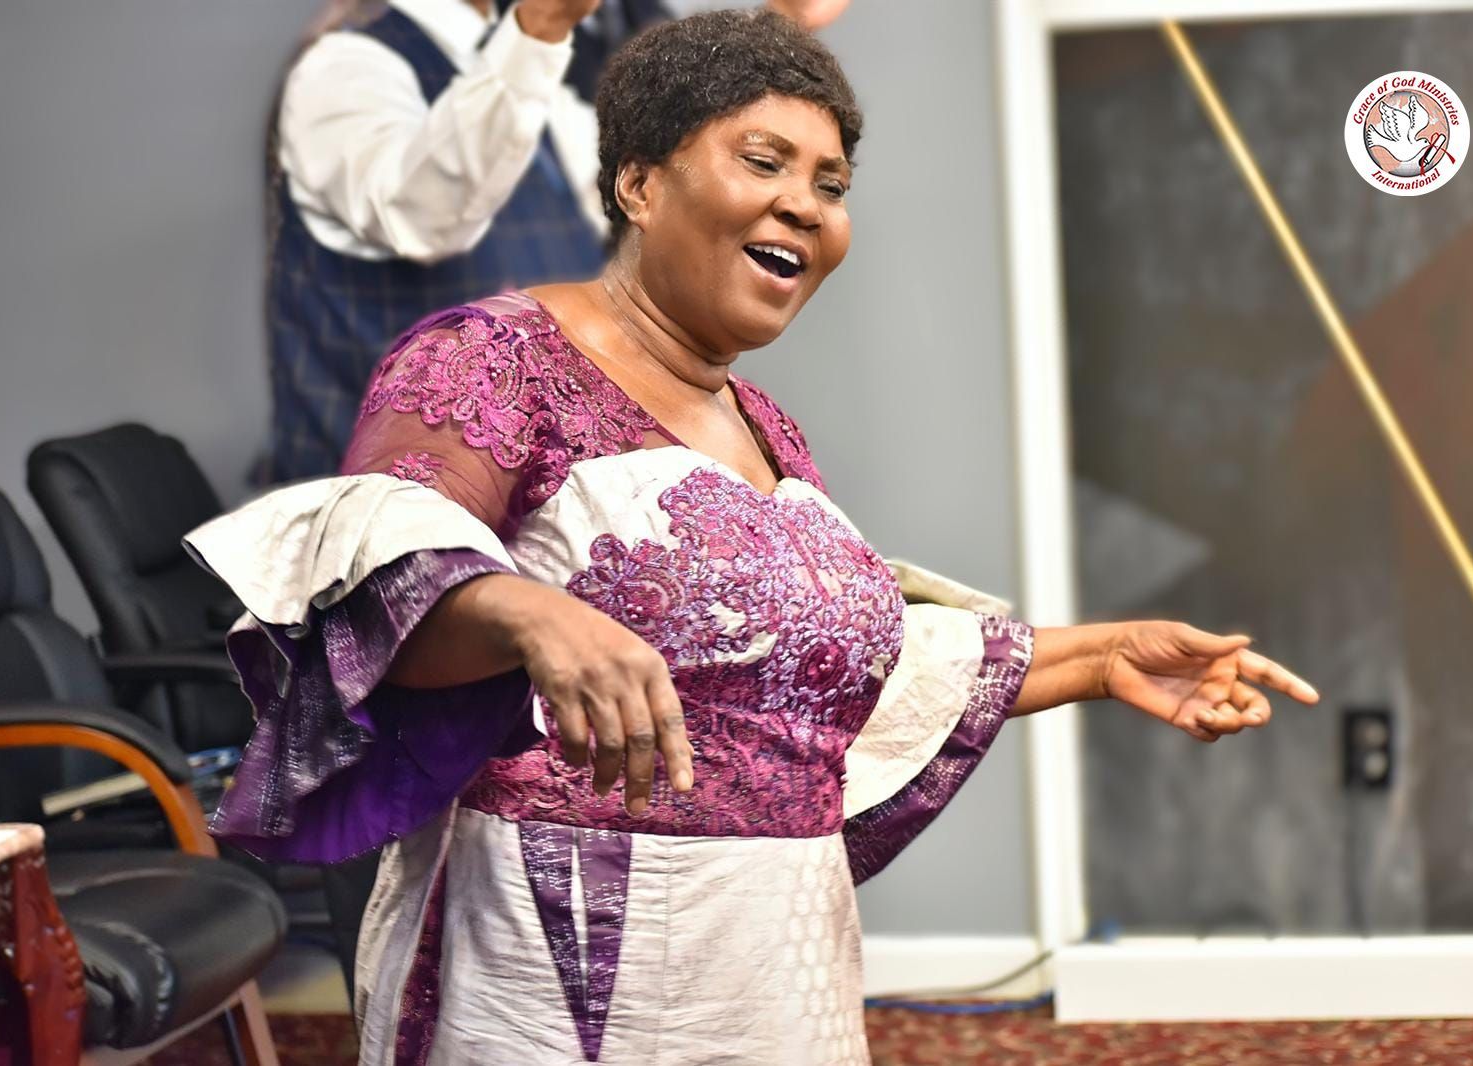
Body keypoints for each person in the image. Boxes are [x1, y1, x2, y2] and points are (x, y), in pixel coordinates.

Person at [192, 11, 1319, 1063]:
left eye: (830, 183)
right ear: (637, 183)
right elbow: (380, 567)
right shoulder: (495, 356)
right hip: (559, 970)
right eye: (764, 161)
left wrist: (1099, 656)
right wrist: (529, 614)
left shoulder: (765, 429)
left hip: (778, 969)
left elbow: (821, 668)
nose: (805, 206)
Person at [266, 0, 848, 484]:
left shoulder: (543, 68)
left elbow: (676, 180)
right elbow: (422, 217)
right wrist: (536, 30)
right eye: (764, 162)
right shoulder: (346, 65)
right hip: (388, 537)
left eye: (831, 186)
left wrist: (776, 38)